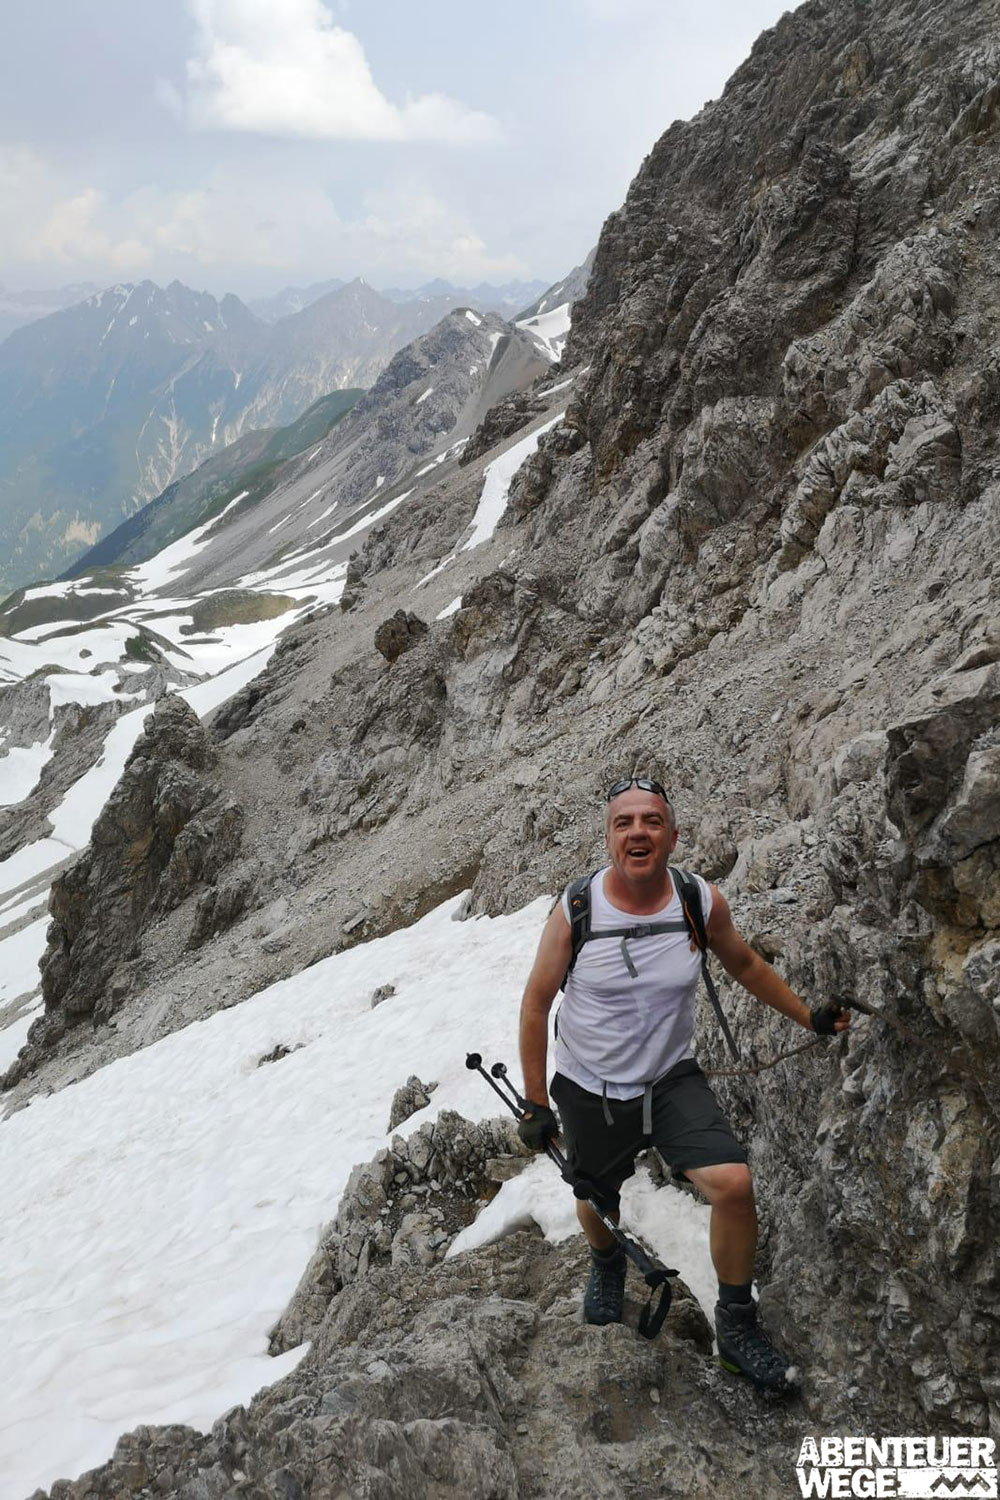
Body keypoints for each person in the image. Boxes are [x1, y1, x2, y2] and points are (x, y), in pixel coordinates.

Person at [516, 775, 850, 1393]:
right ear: (609, 838)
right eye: (623, 822)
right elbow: (536, 1003)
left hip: (670, 1079)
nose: (637, 832)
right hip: (591, 1086)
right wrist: (537, 1103)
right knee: (596, 1195)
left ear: (672, 836)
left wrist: (809, 1017)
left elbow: (744, 963)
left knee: (733, 1185)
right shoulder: (578, 909)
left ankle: (737, 1327)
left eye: (651, 821)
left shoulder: (697, 901)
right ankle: (607, 1261)